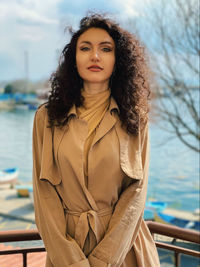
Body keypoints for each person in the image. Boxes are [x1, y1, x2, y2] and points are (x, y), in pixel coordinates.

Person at [32, 12, 160, 267]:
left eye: (106, 49)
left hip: (125, 252)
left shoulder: (135, 119)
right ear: (74, 59)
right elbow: (43, 194)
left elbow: (136, 194)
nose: (95, 56)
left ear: (118, 60)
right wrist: (73, 262)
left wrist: (103, 261)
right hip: (66, 253)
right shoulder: (46, 118)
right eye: (85, 48)